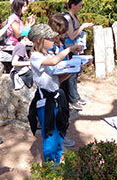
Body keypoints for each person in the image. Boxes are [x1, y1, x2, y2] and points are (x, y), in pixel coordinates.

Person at [27, 24, 81, 164]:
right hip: (45, 101)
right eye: (50, 38)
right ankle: (50, 167)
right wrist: (69, 48)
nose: (53, 40)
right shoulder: (36, 57)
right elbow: (54, 62)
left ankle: (57, 162)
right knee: (50, 134)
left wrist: (74, 69)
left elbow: (57, 79)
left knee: (58, 132)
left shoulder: (49, 54)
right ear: (39, 40)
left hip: (56, 96)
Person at [48, 13, 84, 147]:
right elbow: (53, 63)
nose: (64, 35)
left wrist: (75, 65)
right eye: (62, 33)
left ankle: (61, 136)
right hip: (54, 83)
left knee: (64, 112)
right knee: (56, 112)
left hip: (63, 79)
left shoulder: (61, 42)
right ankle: (56, 140)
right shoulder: (49, 46)